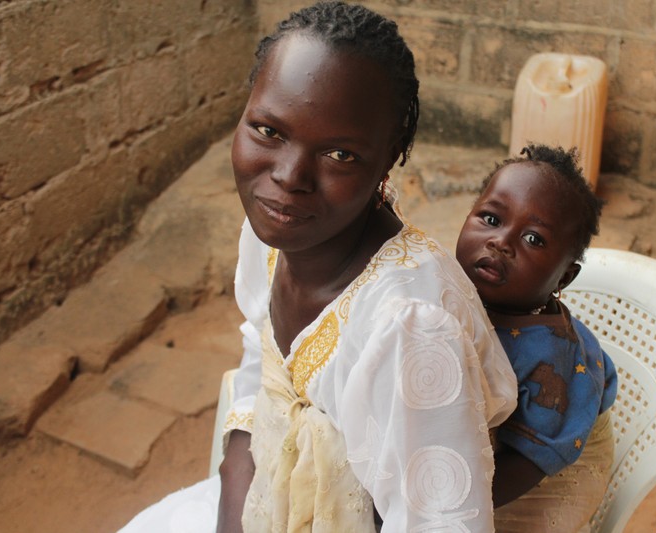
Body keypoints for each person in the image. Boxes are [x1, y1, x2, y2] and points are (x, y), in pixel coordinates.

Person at [119, 2, 517, 532]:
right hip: (271, 493)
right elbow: (261, 372)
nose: (289, 177)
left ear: (390, 156)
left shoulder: (408, 328)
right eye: (268, 130)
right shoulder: (273, 234)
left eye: (340, 155)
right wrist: (234, 505)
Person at [454, 143, 618, 532]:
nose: (501, 242)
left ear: (564, 278)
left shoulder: (552, 360)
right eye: (491, 218)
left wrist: (443, 503)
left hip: (547, 468)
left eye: (533, 240)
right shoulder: (453, 289)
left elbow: (528, 463)